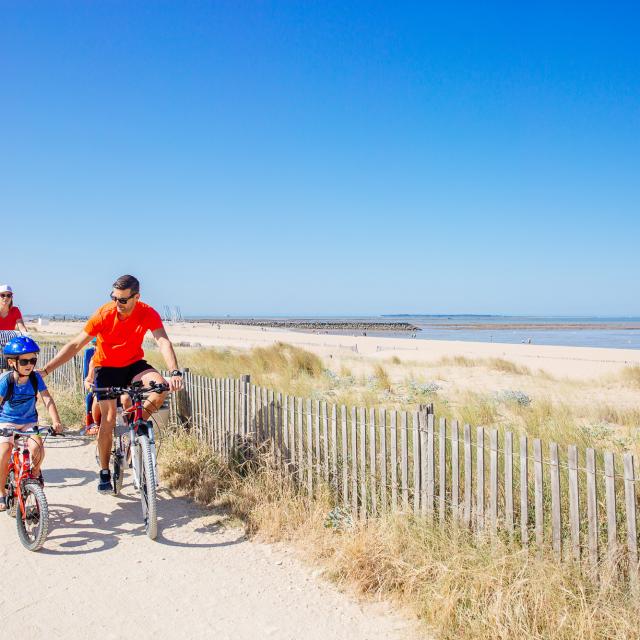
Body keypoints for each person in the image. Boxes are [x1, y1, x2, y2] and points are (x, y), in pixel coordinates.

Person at [41, 274, 183, 493]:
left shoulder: (147, 312)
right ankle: (105, 471)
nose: (117, 304)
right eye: (114, 297)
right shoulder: (104, 313)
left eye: (123, 300)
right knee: (107, 419)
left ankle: (133, 426)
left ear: (137, 297)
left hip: (133, 364)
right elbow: (75, 344)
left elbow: (163, 341)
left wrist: (174, 372)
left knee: (160, 388)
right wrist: (47, 369)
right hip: (105, 368)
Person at [0, 336, 63, 511]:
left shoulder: (35, 378)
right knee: (4, 452)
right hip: (7, 422)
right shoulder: (7, 380)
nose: (30, 364)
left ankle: (35, 475)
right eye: (25, 361)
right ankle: (1, 493)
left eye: (33, 360)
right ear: (12, 362)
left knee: (38, 448)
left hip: (29, 422)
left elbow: (47, 399)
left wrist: (56, 421)